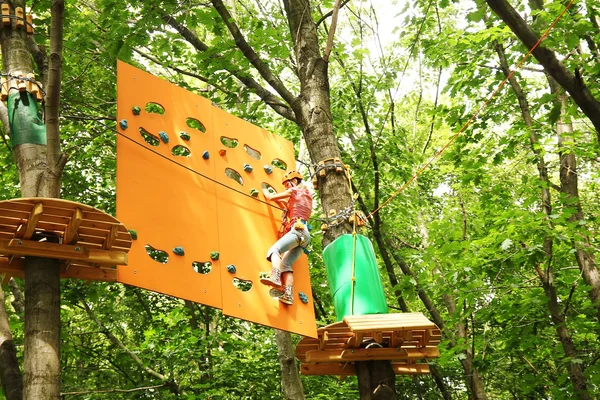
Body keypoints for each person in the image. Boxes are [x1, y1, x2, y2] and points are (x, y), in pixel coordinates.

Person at [260, 170, 312, 305]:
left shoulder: (294, 191)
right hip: (305, 236)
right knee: (286, 264)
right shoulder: (306, 196)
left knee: (274, 250)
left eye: (287, 185)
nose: (286, 188)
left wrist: (264, 190)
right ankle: (288, 296)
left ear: (294, 181)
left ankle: (275, 277)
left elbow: (271, 198)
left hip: (297, 230)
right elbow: (286, 205)